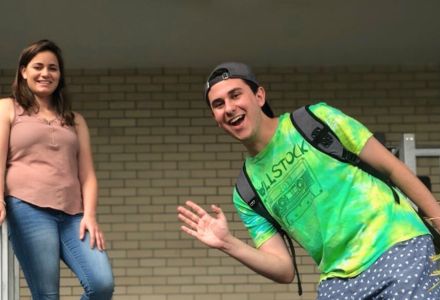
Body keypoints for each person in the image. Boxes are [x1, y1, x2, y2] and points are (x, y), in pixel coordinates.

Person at [177, 62, 440, 299]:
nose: (229, 108)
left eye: (236, 95)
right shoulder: (246, 191)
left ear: (259, 96)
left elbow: (393, 168)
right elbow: (283, 269)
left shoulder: (316, 119)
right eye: (219, 104)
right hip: (338, 283)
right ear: (216, 119)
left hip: (397, 246)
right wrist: (227, 243)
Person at [0, 39, 114, 300]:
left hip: (74, 216)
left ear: (60, 75)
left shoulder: (75, 121)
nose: (45, 73)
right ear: (23, 71)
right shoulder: (7, 108)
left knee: (102, 284)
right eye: (38, 66)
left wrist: (90, 215)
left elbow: (87, 175)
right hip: (28, 209)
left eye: (53, 68)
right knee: (47, 295)